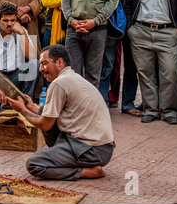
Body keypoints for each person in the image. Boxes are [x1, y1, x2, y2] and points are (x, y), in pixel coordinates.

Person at [7, 44, 115, 180]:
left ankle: (86, 171)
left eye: (44, 64)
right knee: (43, 110)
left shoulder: (59, 84)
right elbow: (47, 116)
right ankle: (64, 157)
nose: (41, 69)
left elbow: (45, 125)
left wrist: (21, 110)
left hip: (92, 151)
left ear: (59, 62)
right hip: (101, 148)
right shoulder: (71, 77)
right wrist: (29, 107)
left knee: (34, 164)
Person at [101, 0, 143, 116]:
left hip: (134, 21)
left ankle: (128, 103)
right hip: (112, 22)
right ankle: (102, 101)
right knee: (107, 63)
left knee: (132, 66)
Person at [0, 2, 39, 113]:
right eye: (5, 20)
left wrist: (22, 33)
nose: (9, 24)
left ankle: (25, 104)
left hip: (14, 75)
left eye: (12, 20)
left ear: (16, 19)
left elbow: (31, 56)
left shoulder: (21, 32)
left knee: (35, 64)